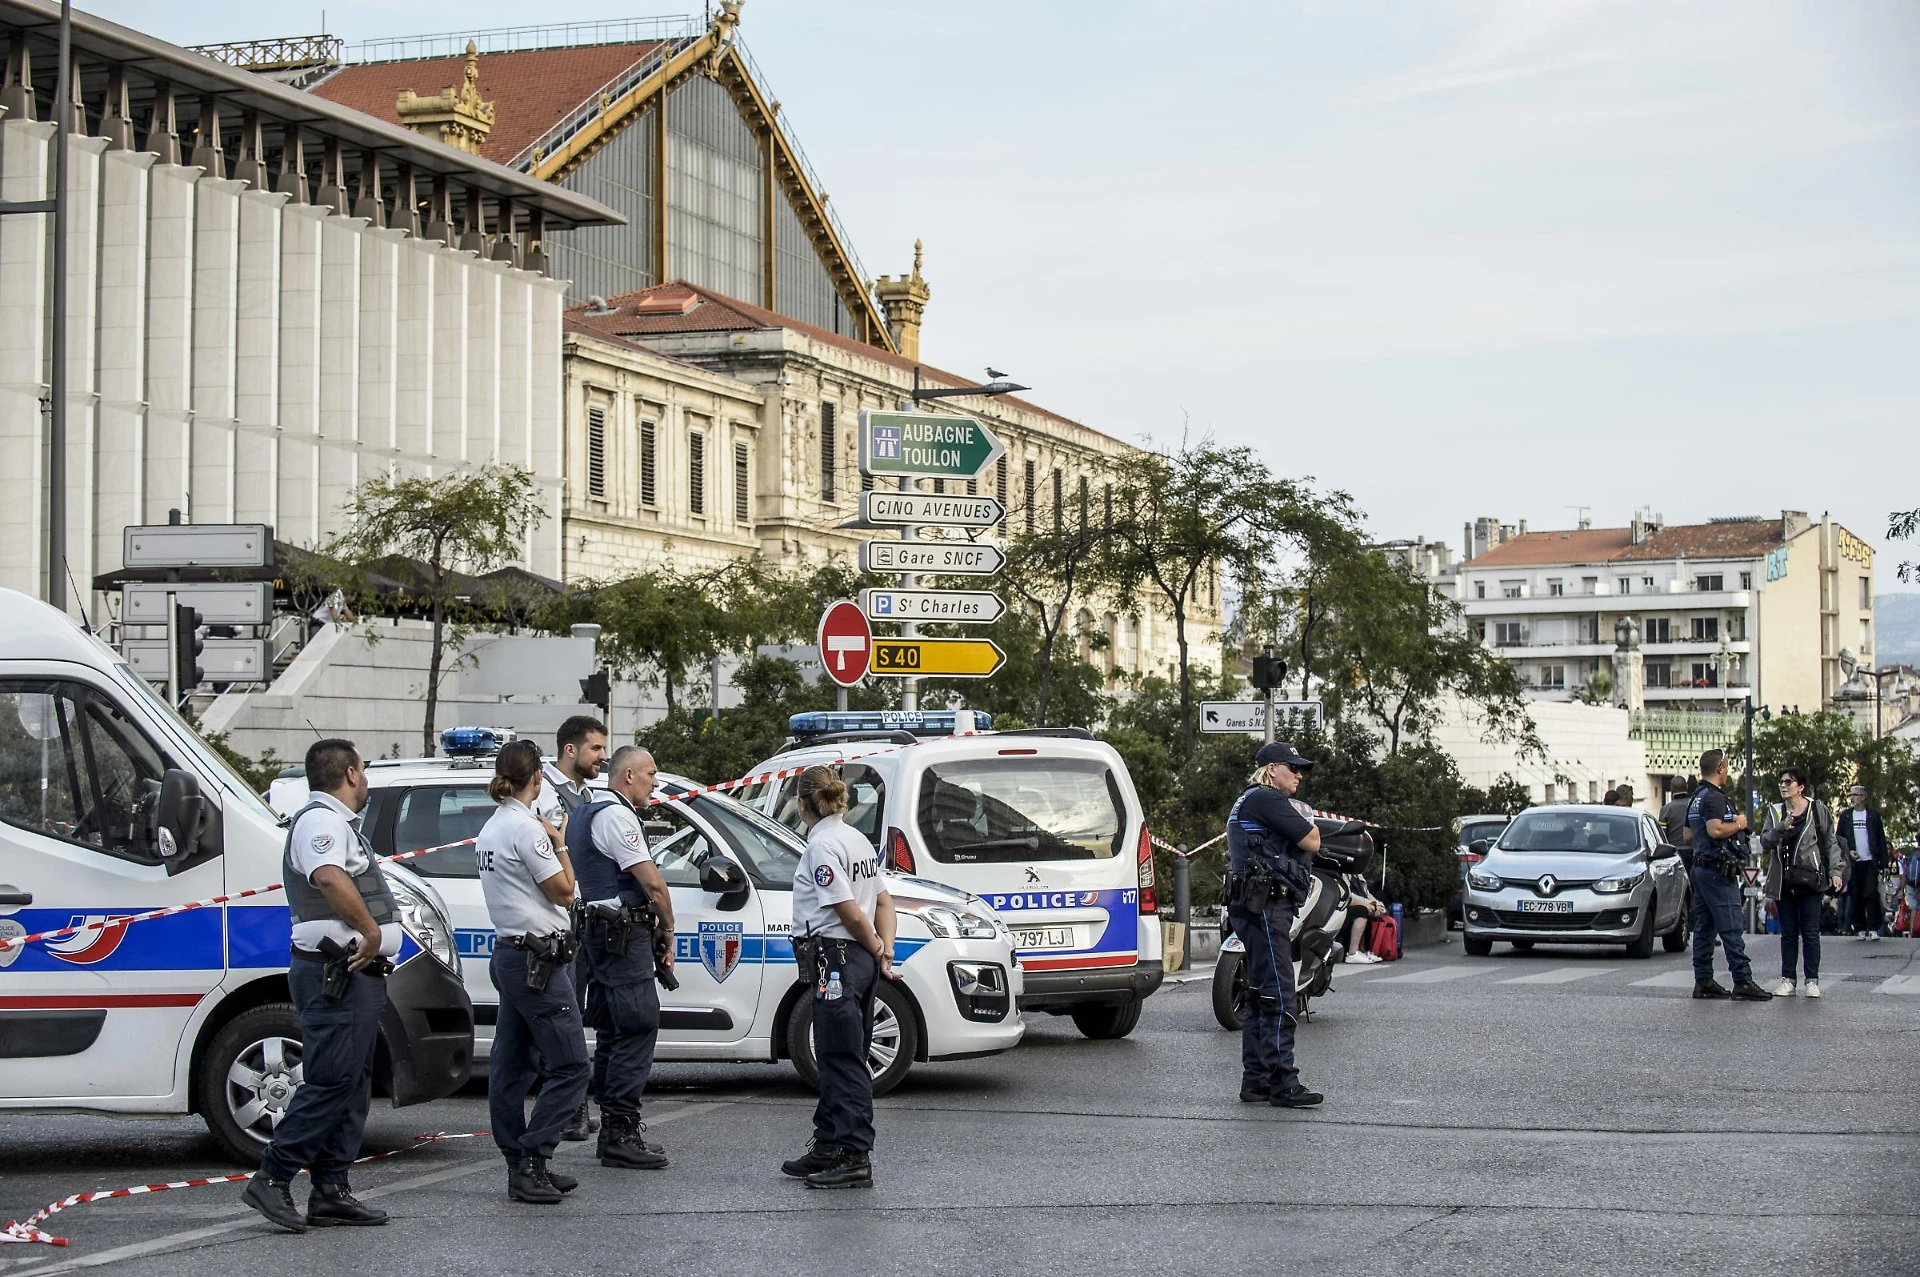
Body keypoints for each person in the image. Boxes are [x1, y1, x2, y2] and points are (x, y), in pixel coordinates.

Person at [243, 738, 398, 1232]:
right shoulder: (321, 821)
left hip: (354, 974)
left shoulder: (334, 822)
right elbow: (329, 877)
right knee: (332, 1080)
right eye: (365, 771)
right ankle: (273, 1176)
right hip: (336, 974)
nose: (366, 780)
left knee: (350, 1085)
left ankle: (331, 1189)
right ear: (351, 774)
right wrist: (372, 932)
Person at [477, 739, 590, 1204]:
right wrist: (561, 845)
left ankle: (518, 1162)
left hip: (512, 954)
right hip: (536, 961)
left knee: (512, 1065)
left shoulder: (491, 827)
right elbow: (564, 891)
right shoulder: (527, 830)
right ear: (538, 779)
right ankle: (532, 1159)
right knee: (572, 1066)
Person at [780, 765, 897, 1188]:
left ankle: (853, 1155)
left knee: (843, 1058)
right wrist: (883, 951)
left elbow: (848, 910)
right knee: (836, 1053)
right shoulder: (855, 839)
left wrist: (875, 946)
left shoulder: (822, 845)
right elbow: (883, 902)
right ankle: (829, 1143)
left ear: (802, 803)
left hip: (837, 958)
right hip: (857, 961)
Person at [568, 745, 672, 1170]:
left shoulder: (585, 810)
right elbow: (653, 884)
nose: (654, 782)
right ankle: (620, 1131)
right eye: (649, 774)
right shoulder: (615, 815)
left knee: (613, 1030)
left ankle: (615, 1127)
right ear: (628, 775)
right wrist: (668, 927)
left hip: (601, 934)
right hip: (620, 935)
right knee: (637, 1024)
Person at [1224, 740, 1325, 1109]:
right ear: (1271, 770)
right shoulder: (1267, 799)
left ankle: (1257, 1080)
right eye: (1292, 767)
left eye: (1300, 768)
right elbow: (1311, 839)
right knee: (1282, 992)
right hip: (1266, 906)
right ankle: (1284, 1082)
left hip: (1250, 904)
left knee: (1259, 991)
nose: (1298, 774)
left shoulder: (1247, 798)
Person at [537, 715, 608, 1144]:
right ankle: (567, 1111)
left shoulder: (581, 793)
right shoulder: (544, 792)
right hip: (554, 917)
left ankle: (570, 1106)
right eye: (596, 748)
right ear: (570, 750)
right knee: (559, 1017)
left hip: (578, 916)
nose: (602, 756)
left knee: (573, 1015)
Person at [1686, 749, 1772, 1002]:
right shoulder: (1713, 797)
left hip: (1701, 867)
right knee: (1732, 926)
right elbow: (1715, 830)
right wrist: (1739, 824)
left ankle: (1703, 981)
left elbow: (1689, 836)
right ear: (1720, 768)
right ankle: (1742, 980)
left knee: (1704, 927)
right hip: (1716, 869)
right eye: (1726, 765)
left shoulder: (1697, 797)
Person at [1758, 768, 1843, 998]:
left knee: (1811, 932)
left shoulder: (1817, 809)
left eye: (1789, 782)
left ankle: (1812, 980)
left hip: (1810, 878)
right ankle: (1788, 980)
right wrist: (1780, 828)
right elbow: (1765, 841)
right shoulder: (1775, 812)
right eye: (1781, 782)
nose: (1784, 786)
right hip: (1784, 880)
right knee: (1788, 933)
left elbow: (1830, 843)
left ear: (1801, 787)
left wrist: (1836, 871)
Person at [1836, 784, 1888, 939]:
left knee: (1871, 893)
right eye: (1850, 795)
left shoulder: (1873, 816)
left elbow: (1881, 840)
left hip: (1870, 861)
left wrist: (1884, 864)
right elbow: (1839, 839)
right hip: (1853, 864)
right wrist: (1848, 851)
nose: (1852, 798)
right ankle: (1859, 927)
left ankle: (1873, 928)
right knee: (1856, 895)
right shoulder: (1845, 816)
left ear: (1863, 797)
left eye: (1855, 795)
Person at [1342, 872, 1386, 964]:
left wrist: (1377, 905)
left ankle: (1363, 951)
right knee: (1362, 911)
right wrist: (1369, 904)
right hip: (1344, 908)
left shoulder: (1358, 875)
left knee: (1375, 911)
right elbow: (1347, 896)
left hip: (1363, 904)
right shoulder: (1342, 874)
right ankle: (1352, 953)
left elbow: (1367, 894)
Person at [1659, 778, 1694, 850]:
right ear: (1686, 787)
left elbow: (1662, 835)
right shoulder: (1694, 805)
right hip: (1693, 851)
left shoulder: (1666, 809)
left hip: (1674, 852)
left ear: (1671, 788)